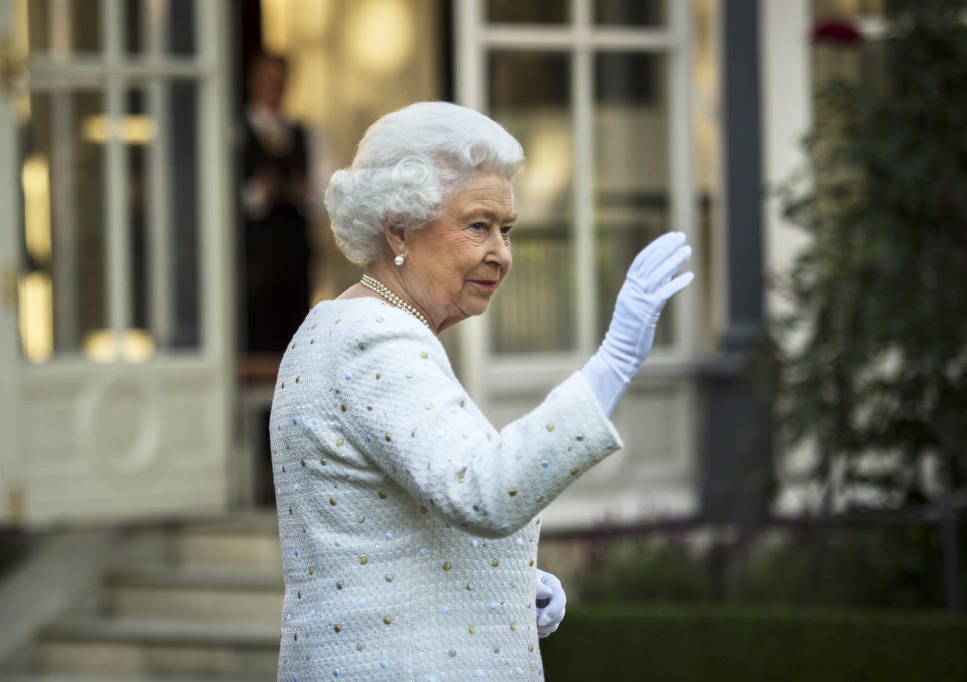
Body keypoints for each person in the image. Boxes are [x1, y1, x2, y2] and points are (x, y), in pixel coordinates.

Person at [270, 101, 694, 680]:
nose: (501, 252)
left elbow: (390, 525)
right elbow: (483, 489)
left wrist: (499, 583)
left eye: (506, 229)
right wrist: (613, 364)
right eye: (477, 226)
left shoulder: (342, 324)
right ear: (399, 227)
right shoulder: (376, 338)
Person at [241, 52, 312, 354]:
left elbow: (319, 191)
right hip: (252, 254)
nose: (274, 89)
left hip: (294, 251)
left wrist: (300, 192)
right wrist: (260, 191)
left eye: (280, 83)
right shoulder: (235, 130)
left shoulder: (301, 133)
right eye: (268, 81)